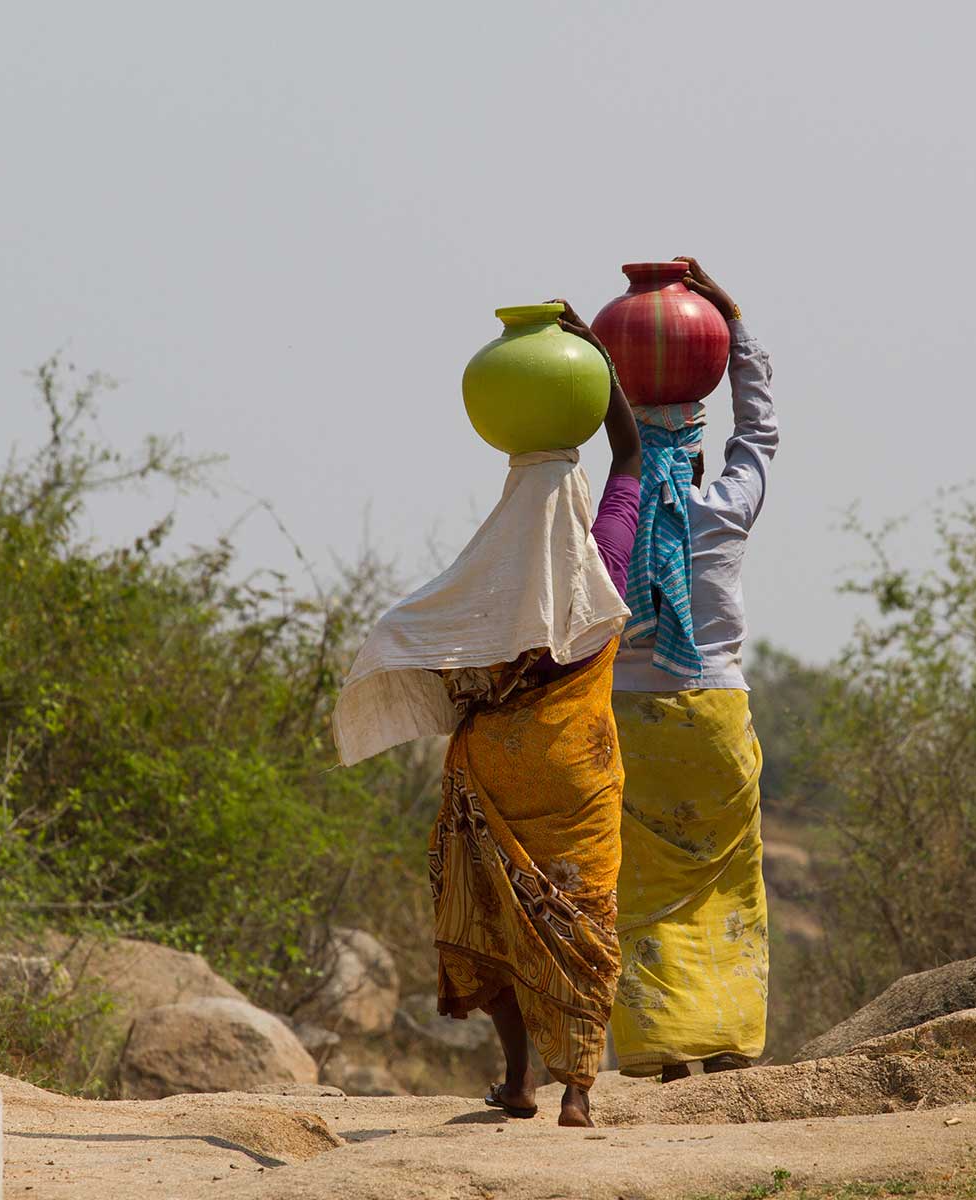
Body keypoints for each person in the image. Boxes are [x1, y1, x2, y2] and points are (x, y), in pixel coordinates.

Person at [332, 300, 641, 1127]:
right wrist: (597, 353)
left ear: (509, 502)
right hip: (578, 771)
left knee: (498, 914)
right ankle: (578, 1087)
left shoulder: (484, 583)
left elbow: (407, 628)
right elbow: (632, 454)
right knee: (583, 916)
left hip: (494, 772)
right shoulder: (603, 561)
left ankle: (518, 1083)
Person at [608, 257, 777, 1082]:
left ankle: (666, 1054)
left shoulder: (611, 516)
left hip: (628, 718)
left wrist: (589, 361)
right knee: (728, 878)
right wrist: (732, 320)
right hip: (714, 711)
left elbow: (592, 455)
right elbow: (761, 432)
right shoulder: (727, 505)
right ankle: (730, 1049)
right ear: (702, 456)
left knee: (644, 887)